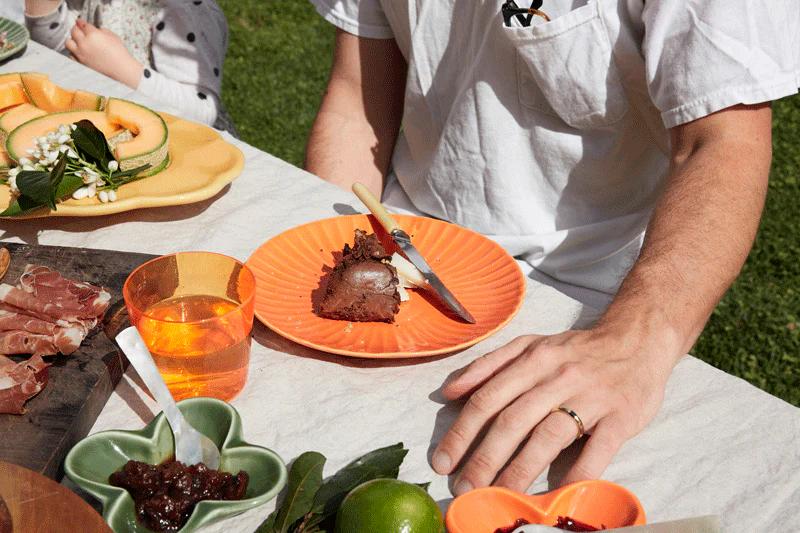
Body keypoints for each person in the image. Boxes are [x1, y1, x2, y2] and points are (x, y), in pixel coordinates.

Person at [304, 0, 800, 494]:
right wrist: (322, 260)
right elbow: (357, 104)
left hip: (588, 303)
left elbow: (721, 145)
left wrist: (631, 343)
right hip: (401, 254)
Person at [23, 0, 236, 133]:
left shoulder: (185, 9)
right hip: (117, 129)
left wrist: (121, 69)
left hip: (186, 147)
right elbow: (60, 48)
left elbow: (202, 113)